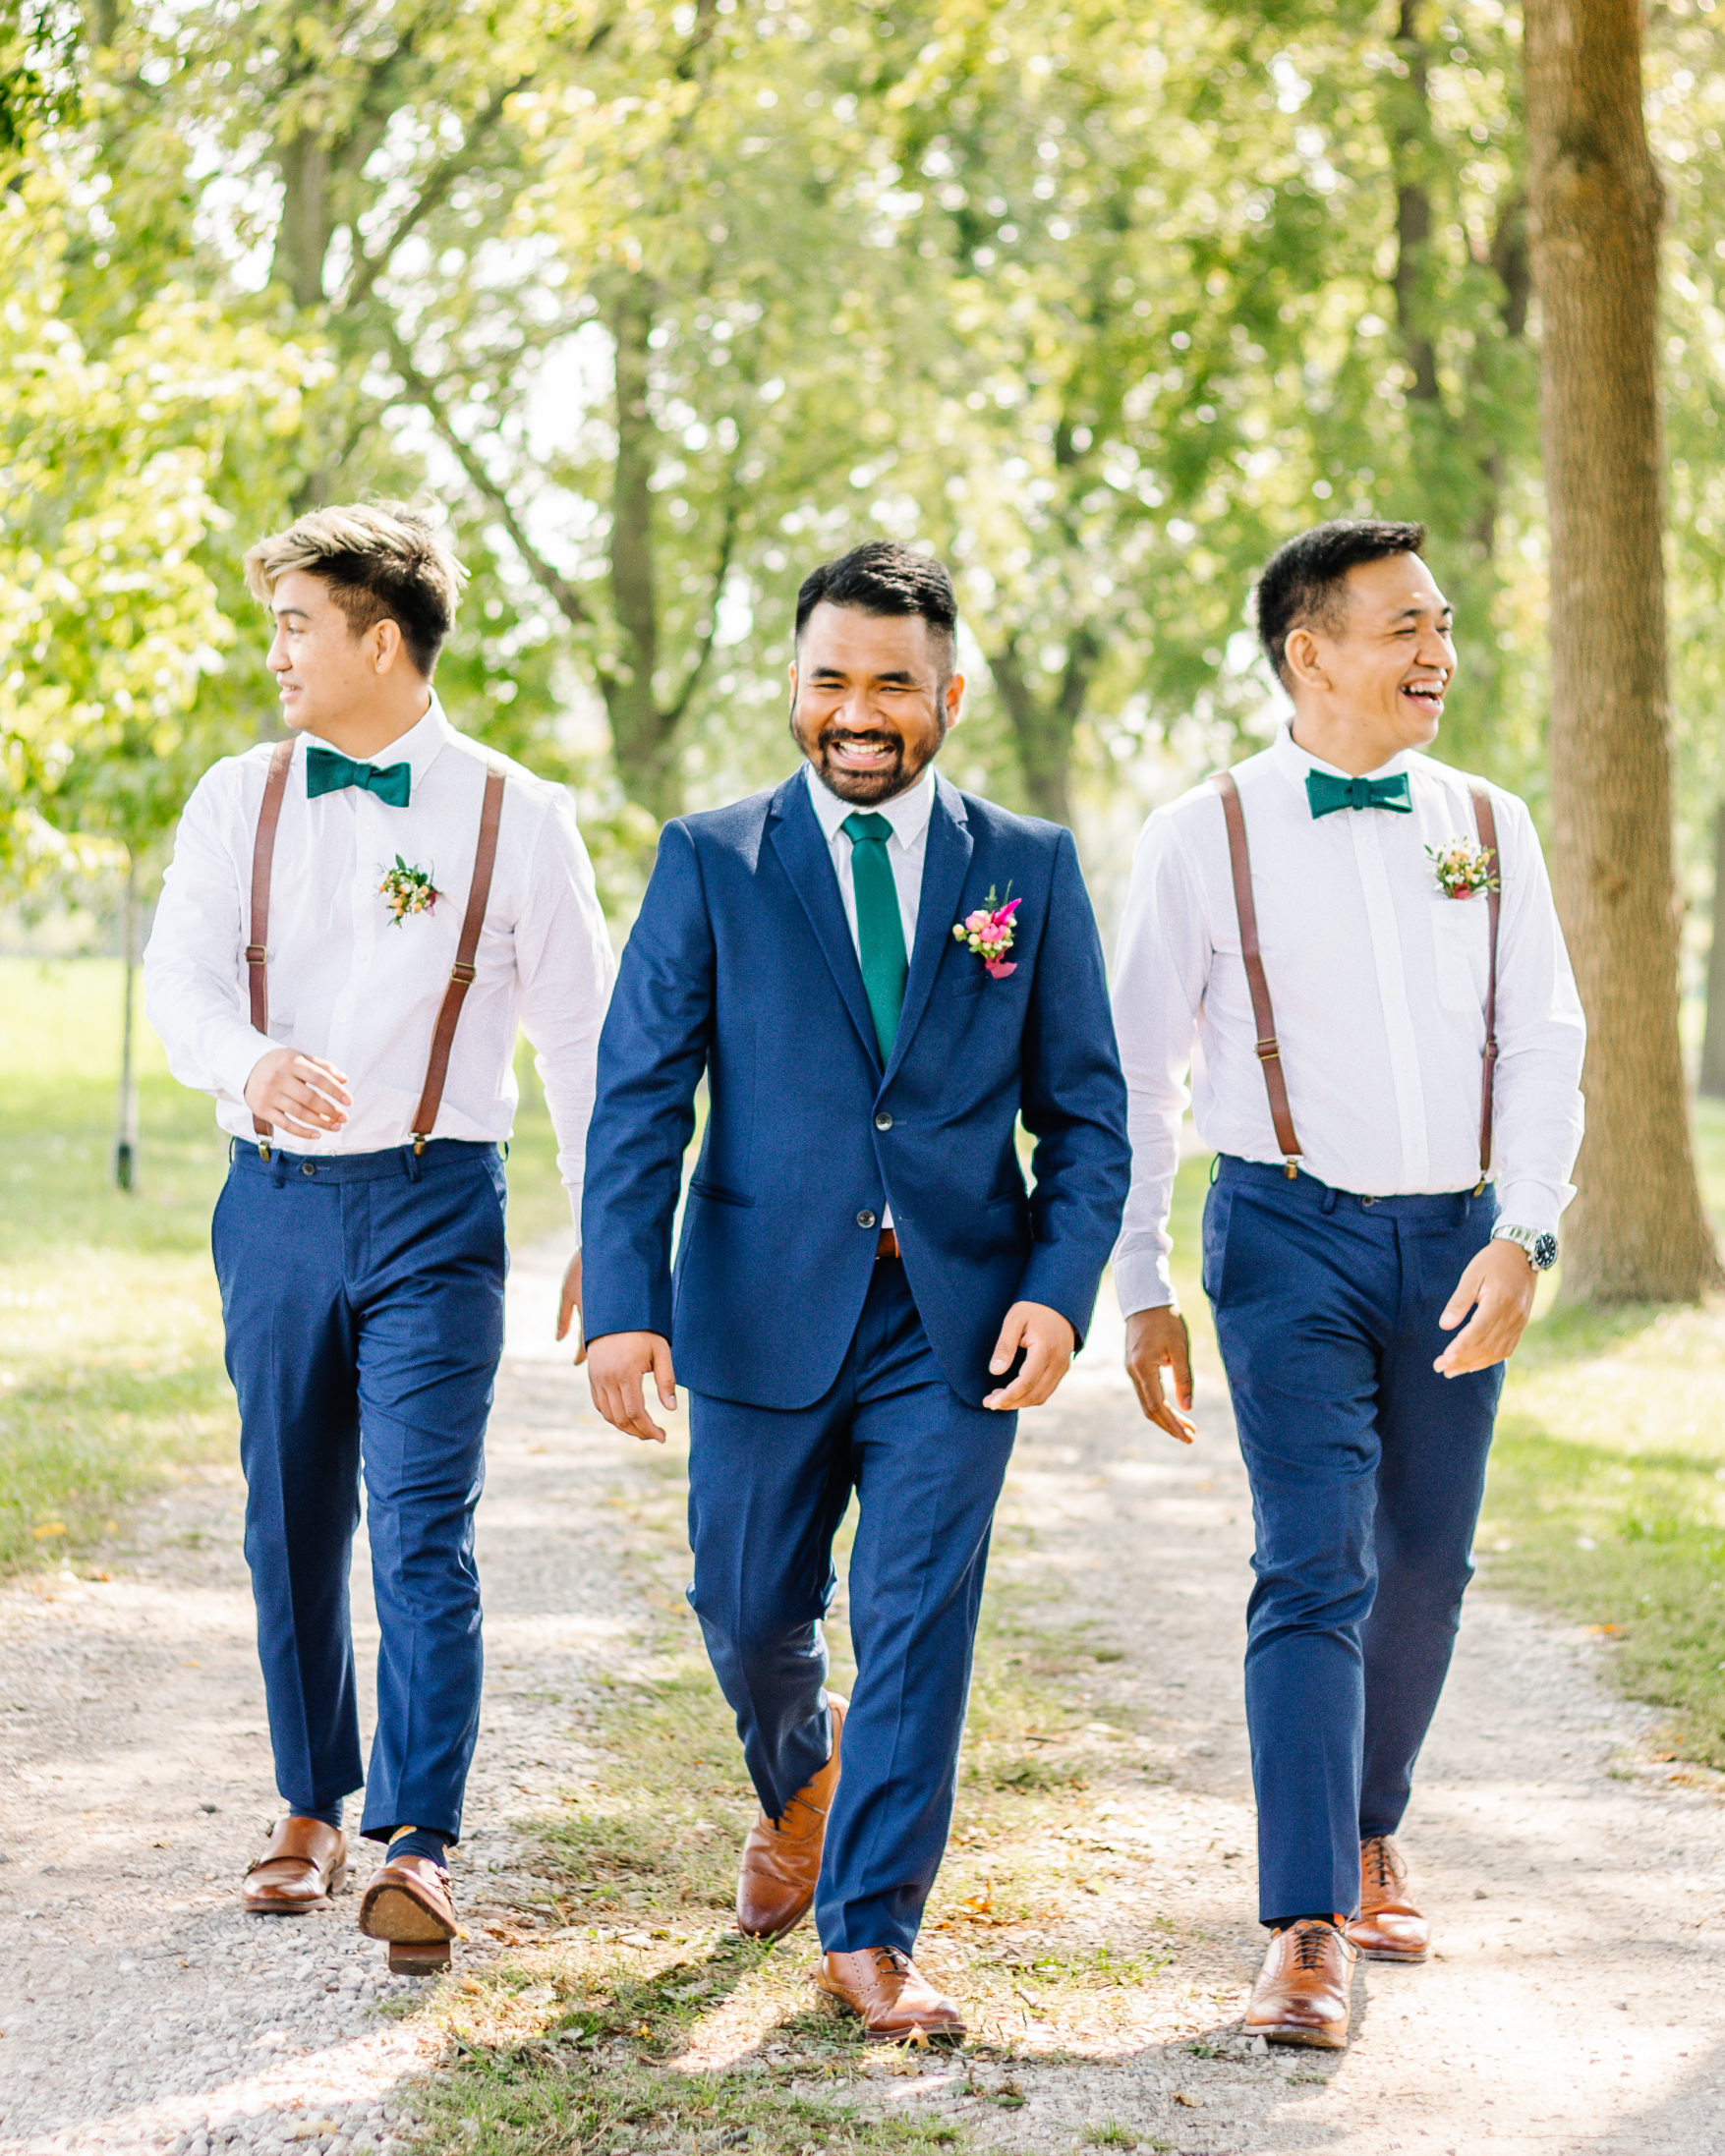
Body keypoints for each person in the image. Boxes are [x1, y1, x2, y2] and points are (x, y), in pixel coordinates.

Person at [579, 541, 1128, 2040]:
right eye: (831, 678)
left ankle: (869, 1925)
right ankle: (801, 1784)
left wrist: (1062, 1287)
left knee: (915, 1613)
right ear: (795, 687)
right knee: (746, 1607)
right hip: (759, 1299)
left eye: (893, 681)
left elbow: (1085, 1114)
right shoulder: (711, 858)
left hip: (956, 1317)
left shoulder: (1028, 867)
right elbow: (640, 1096)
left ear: (947, 692)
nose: (859, 710)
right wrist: (624, 1298)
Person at [1112, 520, 1584, 2049]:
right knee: (1310, 1557)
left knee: (1426, 1561)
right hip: (1283, 1232)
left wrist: (1528, 1230)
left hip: (1458, 1237)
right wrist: (1140, 1282)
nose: (1436, 649)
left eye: (1441, 623)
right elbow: (1137, 1079)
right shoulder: (1202, 834)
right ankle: (1302, 1922)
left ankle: (1372, 1820)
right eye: (1402, 625)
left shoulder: (1490, 823)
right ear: (1308, 654)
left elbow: (1545, 1041)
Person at [144, 501, 614, 1972]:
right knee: (289, 1512)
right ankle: (307, 1800)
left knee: (424, 1523)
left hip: (434, 1204)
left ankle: (420, 1839)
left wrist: (607, 1224)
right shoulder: (241, 793)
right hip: (273, 1202)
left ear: (380, 639)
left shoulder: (514, 813)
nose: (275, 650)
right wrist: (247, 1061)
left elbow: (582, 1040)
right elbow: (181, 982)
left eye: (296, 622)